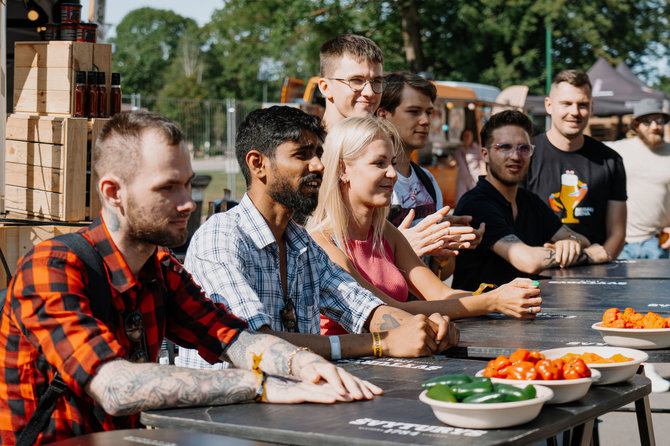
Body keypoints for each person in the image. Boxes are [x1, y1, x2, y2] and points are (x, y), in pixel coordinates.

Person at [0, 111, 381, 445]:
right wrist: (263, 385)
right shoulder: (52, 265)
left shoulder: (160, 269)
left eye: (188, 183)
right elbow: (115, 387)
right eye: (167, 188)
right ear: (113, 193)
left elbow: (233, 338)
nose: (187, 202)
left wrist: (303, 365)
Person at [177, 106, 458, 371]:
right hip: (223, 417)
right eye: (302, 155)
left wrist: (427, 329)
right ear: (258, 164)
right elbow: (254, 344)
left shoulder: (302, 244)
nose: (319, 166)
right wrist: (381, 343)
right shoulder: (221, 237)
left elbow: (364, 308)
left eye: (318, 154)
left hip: (292, 406)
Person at [305, 115, 543, 332]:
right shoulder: (322, 243)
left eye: (392, 162)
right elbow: (385, 310)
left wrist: (506, 296)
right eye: (379, 163)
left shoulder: (385, 232)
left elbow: (440, 294)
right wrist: (493, 301)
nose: (392, 174)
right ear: (342, 170)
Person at [453, 110, 611, 291]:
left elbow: (579, 237)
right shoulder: (476, 204)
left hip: (521, 311)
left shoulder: (528, 200)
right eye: (504, 147)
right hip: (479, 315)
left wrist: (571, 242)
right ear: (485, 154)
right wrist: (589, 256)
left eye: (524, 148)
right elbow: (527, 260)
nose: (515, 156)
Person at [375, 71, 482, 279]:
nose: (425, 120)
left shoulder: (427, 180)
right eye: (414, 111)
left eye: (429, 112)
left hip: (424, 306)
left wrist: (446, 245)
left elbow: (440, 274)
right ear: (383, 115)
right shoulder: (373, 179)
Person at [521, 70, 627, 260]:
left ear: (592, 108)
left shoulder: (611, 160)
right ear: (549, 105)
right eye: (566, 104)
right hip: (537, 271)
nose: (575, 112)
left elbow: (617, 234)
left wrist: (592, 259)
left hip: (595, 273)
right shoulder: (524, 157)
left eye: (583, 105)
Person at [607, 99, 670, 259]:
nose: (655, 126)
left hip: (658, 243)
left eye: (659, 121)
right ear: (636, 126)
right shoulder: (617, 150)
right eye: (647, 122)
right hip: (620, 243)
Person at [318, 34, 385, 130]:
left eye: (377, 81)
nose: (370, 93)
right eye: (356, 80)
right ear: (325, 88)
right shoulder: (304, 143)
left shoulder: (386, 143)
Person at [454, 128, 485, 203]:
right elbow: (454, 163)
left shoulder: (477, 148)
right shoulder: (459, 150)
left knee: (476, 199)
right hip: (462, 178)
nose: (467, 137)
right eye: (465, 135)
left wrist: (483, 178)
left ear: (472, 137)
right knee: (460, 200)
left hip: (475, 177)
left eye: (469, 135)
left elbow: (482, 162)